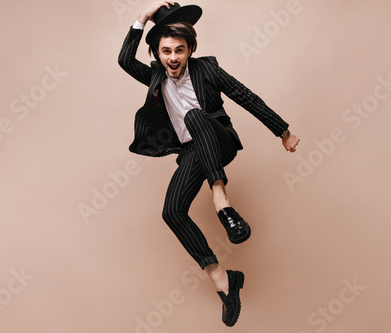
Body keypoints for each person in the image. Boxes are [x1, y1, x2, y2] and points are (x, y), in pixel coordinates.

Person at [118, 1, 300, 327]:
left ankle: (220, 197)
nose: (173, 58)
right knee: (172, 212)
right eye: (166, 51)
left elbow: (247, 97)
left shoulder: (207, 69)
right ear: (157, 54)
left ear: (190, 50)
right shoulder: (155, 78)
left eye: (180, 50)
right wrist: (143, 17)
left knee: (194, 115)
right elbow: (123, 60)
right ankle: (223, 279)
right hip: (192, 153)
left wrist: (282, 131)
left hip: (220, 141)